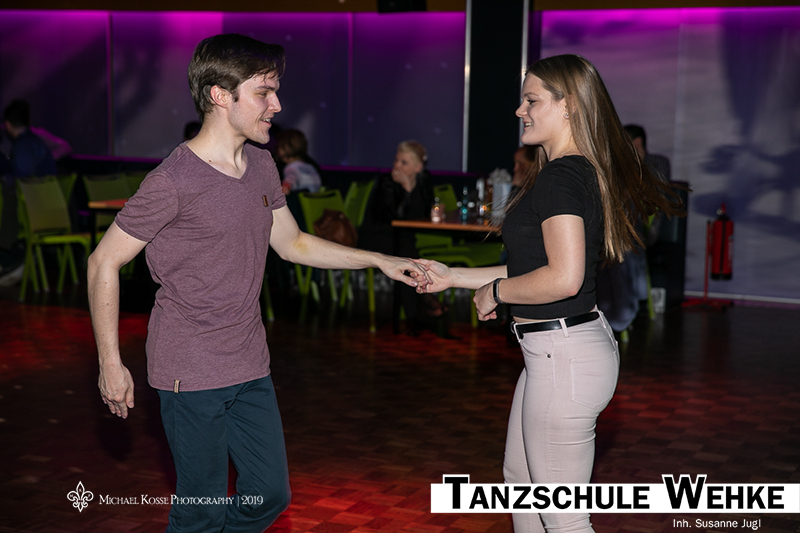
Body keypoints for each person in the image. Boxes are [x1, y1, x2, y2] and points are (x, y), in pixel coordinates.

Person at [87, 33, 429, 533]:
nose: (277, 105)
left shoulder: (262, 165)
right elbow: (102, 263)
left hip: (249, 360)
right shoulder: (172, 181)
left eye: (276, 91)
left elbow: (293, 244)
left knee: (270, 494)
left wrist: (378, 260)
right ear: (220, 96)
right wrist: (110, 363)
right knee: (200, 510)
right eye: (264, 92)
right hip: (189, 368)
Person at [417, 54, 683, 533]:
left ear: (568, 106)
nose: (520, 110)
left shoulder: (562, 176)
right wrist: (454, 276)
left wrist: (496, 291)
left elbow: (564, 278)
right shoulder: (571, 170)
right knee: (521, 484)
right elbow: (537, 268)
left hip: (564, 355)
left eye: (531, 100)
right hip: (556, 351)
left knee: (564, 520)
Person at [358, 140, 444, 334]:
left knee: (407, 252)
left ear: (417, 167)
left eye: (404, 162)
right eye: (396, 160)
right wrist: (405, 188)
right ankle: (419, 309)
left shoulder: (424, 180)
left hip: (403, 237)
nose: (397, 166)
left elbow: (423, 211)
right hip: (376, 238)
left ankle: (416, 312)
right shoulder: (386, 182)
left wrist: (411, 190)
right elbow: (393, 217)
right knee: (406, 255)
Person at [276, 129, 322, 194]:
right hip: (315, 199)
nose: (278, 150)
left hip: (301, 200)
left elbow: (290, 180)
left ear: (287, 148)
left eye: (280, 146)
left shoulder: (291, 168)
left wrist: (285, 187)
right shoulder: (310, 167)